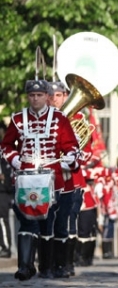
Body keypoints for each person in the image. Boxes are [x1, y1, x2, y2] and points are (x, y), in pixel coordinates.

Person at [2, 77, 81, 280]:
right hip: (26, 176)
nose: (35, 99)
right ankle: (25, 266)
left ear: (47, 96)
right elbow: (6, 145)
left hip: (52, 176)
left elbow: (71, 145)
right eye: (31, 95)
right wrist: (16, 161)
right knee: (27, 221)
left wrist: (69, 159)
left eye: (39, 95)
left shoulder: (60, 119)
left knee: (49, 223)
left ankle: (47, 266)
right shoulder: (18, 119)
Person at [0, 122, 12, 259]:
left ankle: (6, 246)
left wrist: (5, 178)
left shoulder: (7, 149)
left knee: (3, 220)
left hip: (3, 190)